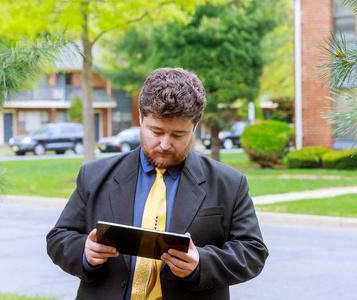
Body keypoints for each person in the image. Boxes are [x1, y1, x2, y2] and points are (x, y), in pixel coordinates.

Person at [46, 67, 268, 300]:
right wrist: (85, 252)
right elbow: (59, 237)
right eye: (156, 131)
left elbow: (252, 252)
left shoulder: (230, 183)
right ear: (141, 118)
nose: (164, 144)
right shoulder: (93, 175)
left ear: (195, 127)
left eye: (178, 135)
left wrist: (201, 263)